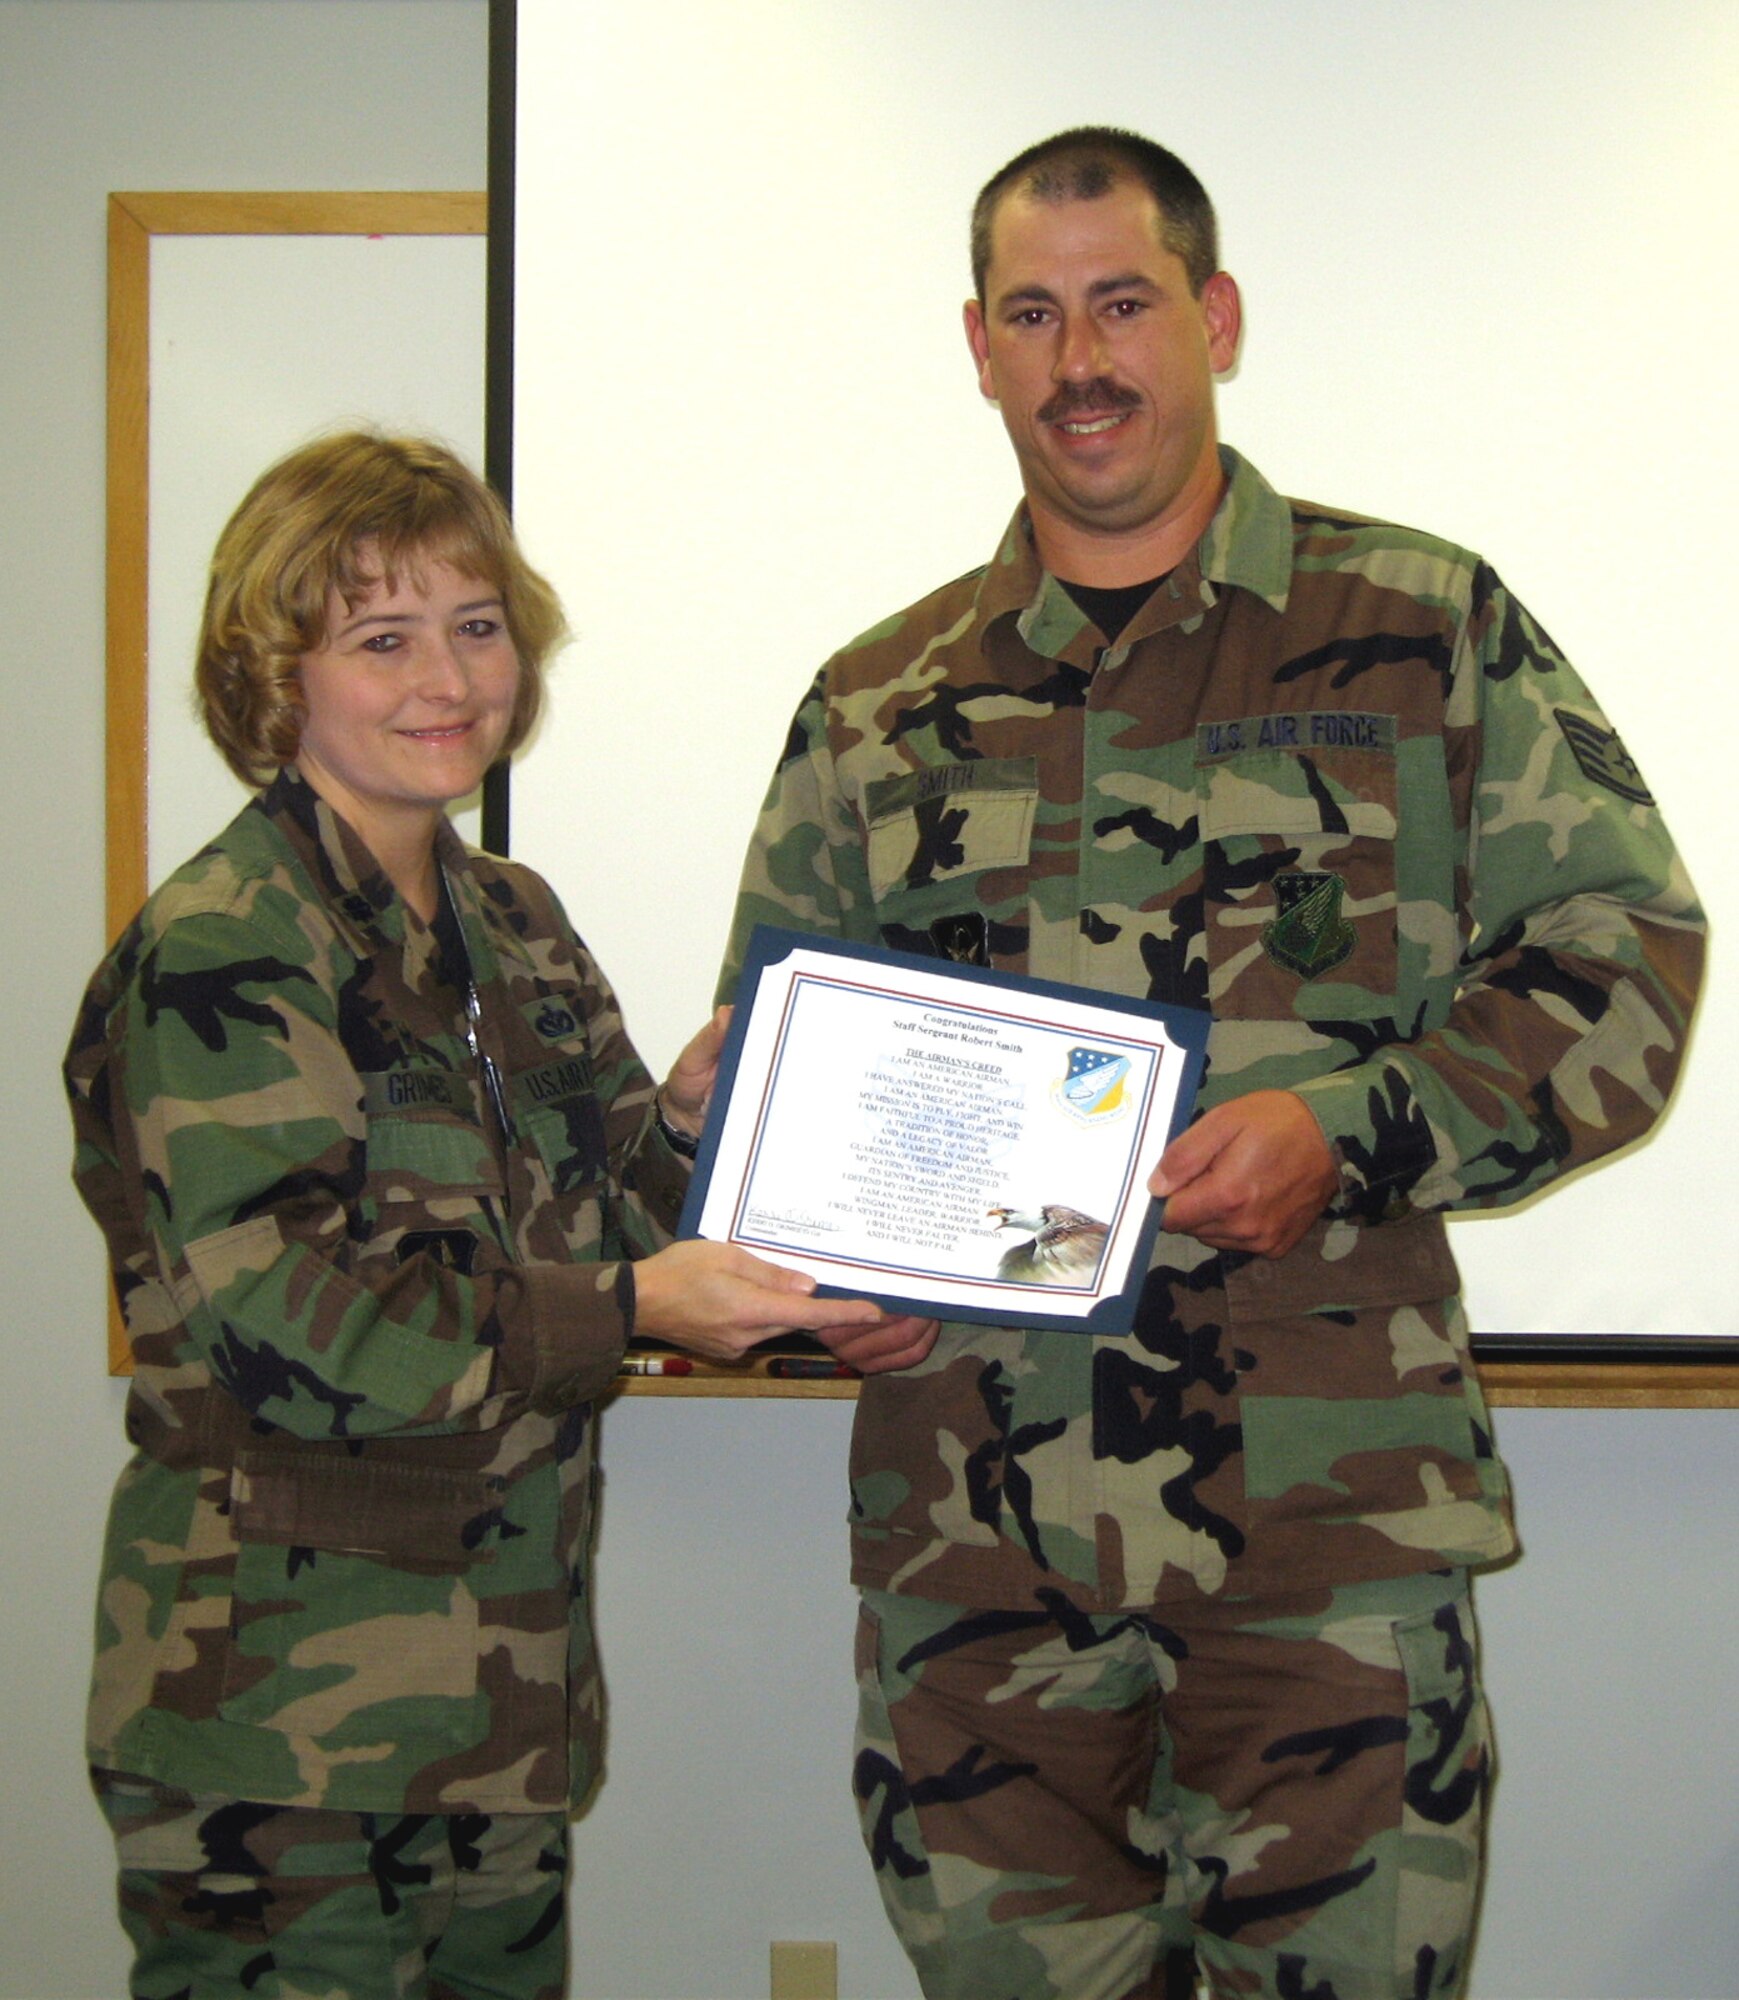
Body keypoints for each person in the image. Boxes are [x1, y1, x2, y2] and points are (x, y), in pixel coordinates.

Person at [717, 129, 1705, 1999]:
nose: (1081, 360)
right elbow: (783, 1068)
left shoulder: (1418, 628)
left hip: (1325, 1540)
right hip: (975, 1553)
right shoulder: (875, 704)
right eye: (1033, 315)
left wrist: (1355, 1132)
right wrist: (775, 1190)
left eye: (1123, 303)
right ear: (978, 348)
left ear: (1216, 318)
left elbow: (1625, 959)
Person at [65, 431, 931, 2000]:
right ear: (276, 675)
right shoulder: (229, 944)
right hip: (280, 1739)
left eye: (477, 627)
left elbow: (608, 1209)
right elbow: (292, 1329)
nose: (448, 679)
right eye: (382, 639)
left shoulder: (513, 921)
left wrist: (688, 1127)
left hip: (498, 1710)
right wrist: (641, 1308)